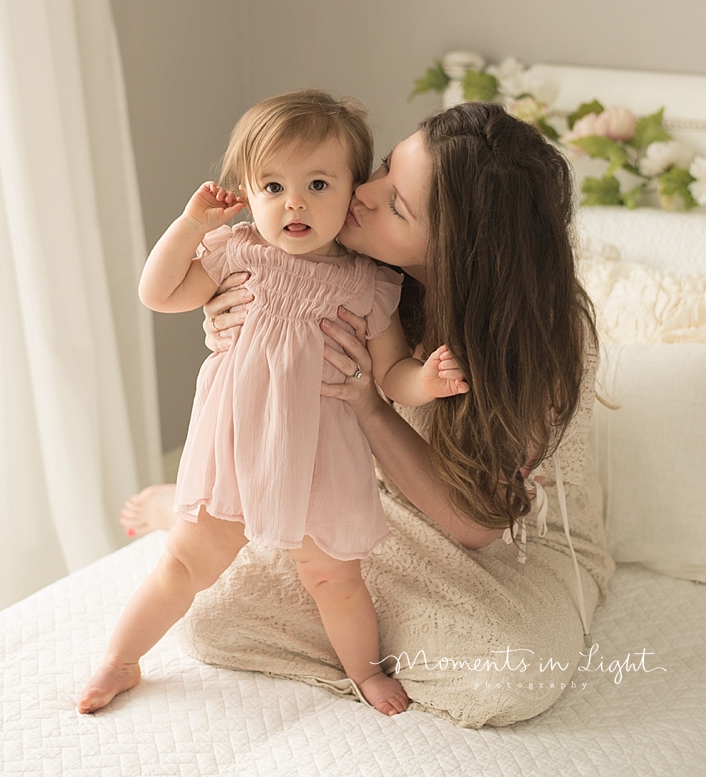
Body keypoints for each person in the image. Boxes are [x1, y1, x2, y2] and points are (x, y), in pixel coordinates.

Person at [121, 100, 615, 729]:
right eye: (384, 167)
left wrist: (370, 405)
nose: (363, 193)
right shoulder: (358, 266)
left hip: (505, 537)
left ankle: (232, 527)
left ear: (460, 251)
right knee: (210, 621)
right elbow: (262, 313)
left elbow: (477, 525)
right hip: (365, 491)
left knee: (507, 677)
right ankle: (207, 504)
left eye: (397, 205)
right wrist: (233, 325)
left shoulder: (541, 338)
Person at [80, 90, 467, 717]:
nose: (294, 203)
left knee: (335, 581)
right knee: (183, 562)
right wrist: (190, 227)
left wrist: (426, 382)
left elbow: (391, 371)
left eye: (318, 184)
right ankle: (121, 660)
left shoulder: (368, 284)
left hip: (320, 464)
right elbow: (158, 293)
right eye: (272, 186)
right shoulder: (235, 255)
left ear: (352, 192)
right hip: (234, 454)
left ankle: (365, 674)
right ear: (247, 193)